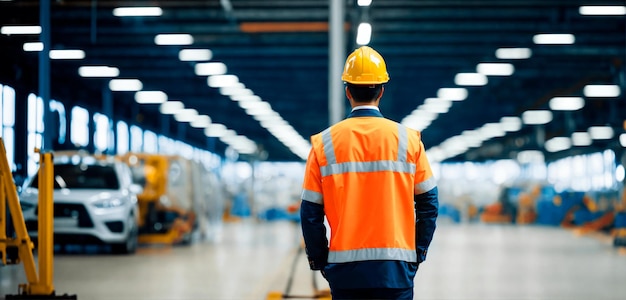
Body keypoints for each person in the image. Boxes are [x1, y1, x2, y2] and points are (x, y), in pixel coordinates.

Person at [299, 45, 439, 300]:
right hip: (395, 271)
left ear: (347, 92)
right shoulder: (408, 141)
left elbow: (310, 213)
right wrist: (417, 253)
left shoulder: (324, 144)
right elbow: (429, 203)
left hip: (345, 274)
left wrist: (321, 261)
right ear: (382, 91)